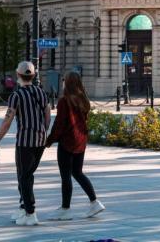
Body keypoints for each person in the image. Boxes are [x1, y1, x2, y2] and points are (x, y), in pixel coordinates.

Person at [0, 61, 50, 226]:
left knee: (23, 176)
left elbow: (7, 121)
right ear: (34, 75)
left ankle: (31, 212)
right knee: (29, 174)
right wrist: (44, 131)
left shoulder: (16, 96)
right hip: (40, 140)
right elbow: (47, 114)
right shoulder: (41, 93)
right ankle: (24, 207)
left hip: (25, 141)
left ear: (18, 75)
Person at [45, 71, 105, 221]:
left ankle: (65, 209)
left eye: (64, 80)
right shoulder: (83, 100)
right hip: (81, 140)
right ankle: (94, 202)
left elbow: (60, 124)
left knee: (66, 176)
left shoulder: (65, 101)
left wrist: (49, 140)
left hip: (67, 142)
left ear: (67, 83)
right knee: (78, 172)